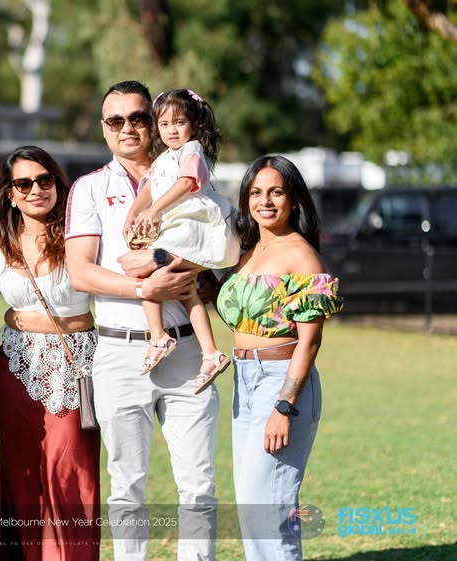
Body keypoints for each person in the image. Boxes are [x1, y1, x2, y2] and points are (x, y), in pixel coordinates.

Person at [65, 80, 218, 561]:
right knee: (127, 486)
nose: (129, 128)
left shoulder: (189, 169)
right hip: (120, 351)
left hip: (189, 348)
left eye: (138, 118)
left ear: (155, 122)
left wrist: (195, 266)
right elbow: (80, 271)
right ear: (104, 129)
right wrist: (142, 288)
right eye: (117, 120)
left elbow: (220, 248)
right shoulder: (89, 187)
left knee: (198, 483)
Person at [217, 155, 343, 560]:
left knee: (271, 512)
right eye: (256, 192)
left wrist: (284, 406)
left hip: (280, 382)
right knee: (253, 509)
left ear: (293, 199)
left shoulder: (300, 255)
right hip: (244, 380)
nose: (265, 201)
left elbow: (310, 342)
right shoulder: (246, 251)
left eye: (276, 191)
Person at [0, 146, 100, 561]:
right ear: (10, 193)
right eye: (23, 183)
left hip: (76, 363)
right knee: (22, 469)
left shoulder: (82, 231)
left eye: (44, 180)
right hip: (16, 363)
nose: (35, 190)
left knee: (70, 472)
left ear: (58, 184)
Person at [124, 88, 239, 387]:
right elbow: (148, 188)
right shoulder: (163, 159)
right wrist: (136, 213)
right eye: (164, 124)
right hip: (175, 229)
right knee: (186, 291)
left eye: (179, 122)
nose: (171, 130)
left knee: (147, 276)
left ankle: (159, 336)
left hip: (191, 227)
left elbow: (188, 182)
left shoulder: (192, 150)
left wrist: (154, 211)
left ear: (193, 125)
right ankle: (211, 353)